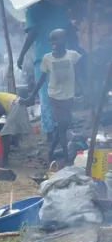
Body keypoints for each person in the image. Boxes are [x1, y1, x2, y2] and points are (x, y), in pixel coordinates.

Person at [18, 0, 72, 150]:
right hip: (64, 58)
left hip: (44, 58)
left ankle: (51, 137)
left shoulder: (32, 11)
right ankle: (63, 134)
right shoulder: (59, 9)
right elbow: (69, 31)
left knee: (47, 97)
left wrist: (22, 54)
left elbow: (33, 32)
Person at [26, 29, 81, 164]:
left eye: (56, 39)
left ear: (64, 40)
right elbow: (42, 79)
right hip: (54, 97)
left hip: (69, 96)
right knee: (62, 125)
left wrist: (84, 90)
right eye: (51, 40)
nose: (53, 42)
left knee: (63, 126)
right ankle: (67, 161)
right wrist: (32, 95)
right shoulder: (47, 58)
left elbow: (79, 74)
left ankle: (51, 151)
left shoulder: (73, 56)